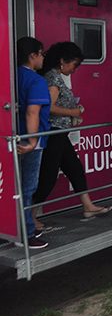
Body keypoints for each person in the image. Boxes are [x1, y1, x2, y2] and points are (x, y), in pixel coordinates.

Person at [33, 42, 112, 226]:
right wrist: (73, 113)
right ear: (62, 61)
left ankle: (88, 206)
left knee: (74, 168)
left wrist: (72, 113)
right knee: (48, 176)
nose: (75, 69)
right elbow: (49, 108)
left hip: (61, 132)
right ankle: (30, 215)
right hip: (53, 132)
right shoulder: (52, 78)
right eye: (74, 64)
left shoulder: (55, 76)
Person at [15, 37, 50, 249]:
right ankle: (26, 234)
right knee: (27, 187)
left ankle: (12, 230)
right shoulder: (36, 81)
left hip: (11, 139)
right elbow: (32, 112)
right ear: (32, 56)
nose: (43, 58)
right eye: (41, 53)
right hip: (29, 142)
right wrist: (32, 140)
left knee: (12, 187)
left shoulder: (11, 76)